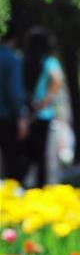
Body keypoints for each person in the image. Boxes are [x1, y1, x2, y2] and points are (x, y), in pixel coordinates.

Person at [21, 26, 63, 187]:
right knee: (40, 158)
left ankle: (18, 187)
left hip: (24, 114)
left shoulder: (22, 60)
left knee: (26, 154)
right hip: (42, 113)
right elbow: (57, 78)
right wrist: (47, 99)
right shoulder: (48, 61)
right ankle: (41, 189)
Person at [0, 22, 26, 180]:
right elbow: (13, 91)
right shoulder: (13, 59)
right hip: (6, 116)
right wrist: (20, 115)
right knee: (11, 162)